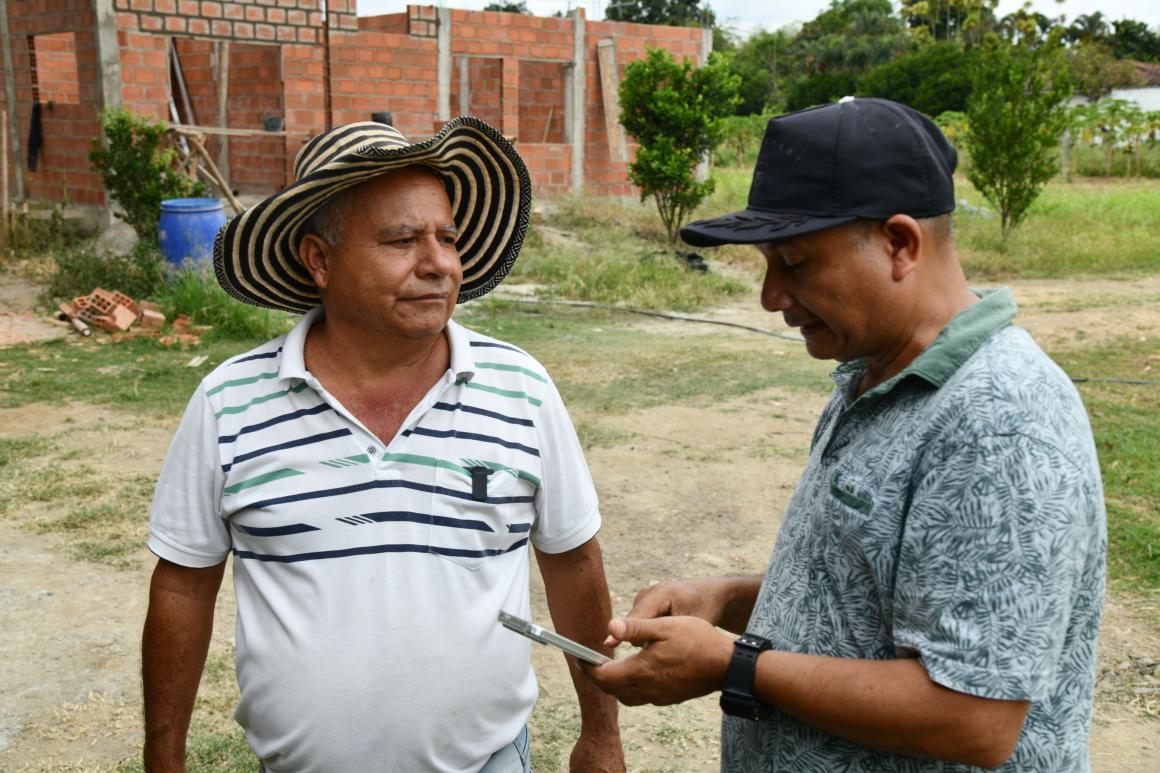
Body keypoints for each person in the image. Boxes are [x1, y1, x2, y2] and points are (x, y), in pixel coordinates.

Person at [584, 98, 1107, 772]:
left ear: (900, 244)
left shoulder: (1000, 419)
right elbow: (881, 596)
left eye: (795, 263)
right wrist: (733, 598)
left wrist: (735, 665)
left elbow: (975, 717)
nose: (771, 296)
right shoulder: (873, 373)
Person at [142, 118, 624, 773]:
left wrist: (602, 733)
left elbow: (573, 563)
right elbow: (183, 588)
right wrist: (163, 756)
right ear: (320, 260)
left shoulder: (520, 388)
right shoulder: (231, 402)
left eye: (447, 237)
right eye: (402, 239)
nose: (439, 264)